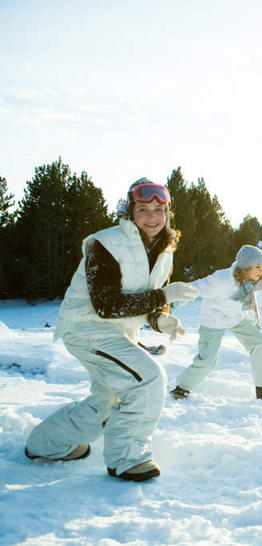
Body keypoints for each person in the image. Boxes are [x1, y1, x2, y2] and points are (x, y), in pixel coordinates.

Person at [25, 178, 199, 482]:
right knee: (148, 378)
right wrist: (164, 297)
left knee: (107, 400)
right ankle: (126, 458)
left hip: (117, 334)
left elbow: (146, 297)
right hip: (87, 329)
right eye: (143, 209)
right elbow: (106, 305)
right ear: (129, 211)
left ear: (167, 212)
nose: (152, 217)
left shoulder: (164, 251)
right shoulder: (105, 243)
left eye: (158, 209)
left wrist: (160, 319)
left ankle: (45, 443)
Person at [169, 245, 262, 401]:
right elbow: (194, 288)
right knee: (207, 362)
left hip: (236, 318)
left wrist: (253, 322)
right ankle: (182, 387)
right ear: (245, 267)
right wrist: (172, 303)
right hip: (213, 320)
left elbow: (249, 302)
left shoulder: (253, 281)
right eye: (257, 267)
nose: (261, 270)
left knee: (259, 344)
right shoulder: (221, 280)